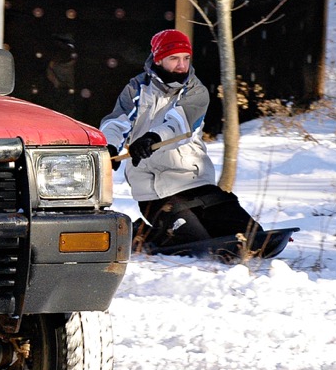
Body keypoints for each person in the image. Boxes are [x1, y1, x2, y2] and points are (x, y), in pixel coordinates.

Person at [100, 29, 267, 257]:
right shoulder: (136, 89)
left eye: (186, 58)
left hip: (196, 181)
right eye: (174, 59)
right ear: (158, 59)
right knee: (195, 244)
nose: (182, 65)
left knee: (252, 237)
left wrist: (151, 138)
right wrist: (109, 147)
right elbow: (117, 121)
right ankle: (142, 234)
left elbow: (180, 124)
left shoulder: (196, 92)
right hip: (156, 191)